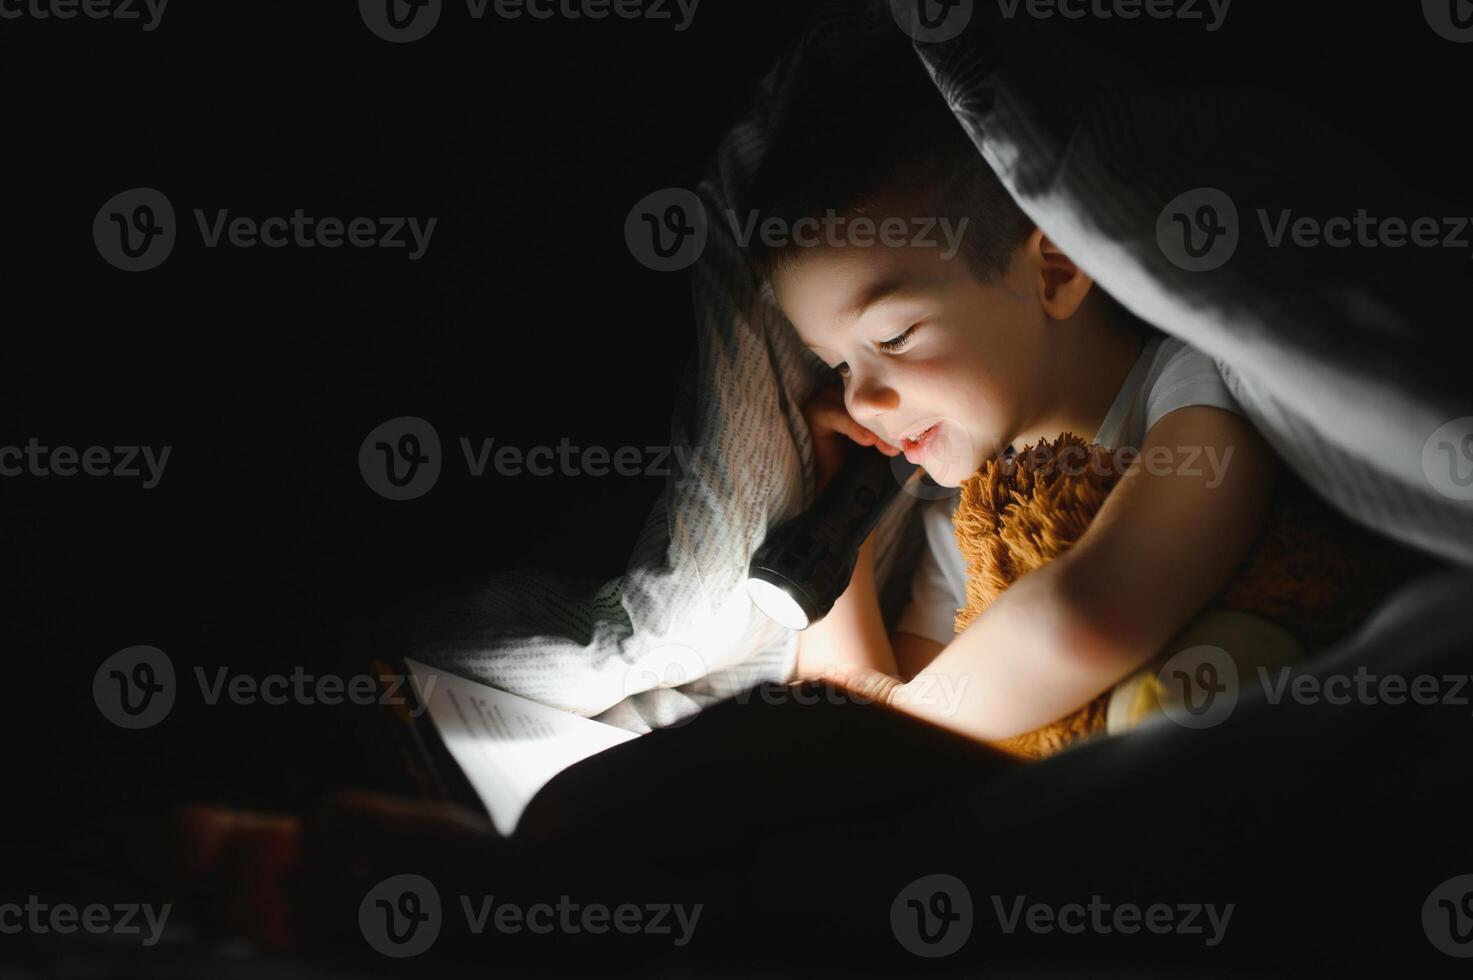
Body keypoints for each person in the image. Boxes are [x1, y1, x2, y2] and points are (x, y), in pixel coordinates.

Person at [740, 32, 1277, 744]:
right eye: (838, 366)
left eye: (893, 339)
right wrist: (842, 532)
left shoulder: (1191, 382)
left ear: (1051, 273)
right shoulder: (960, 530)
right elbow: (862, 732)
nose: (862, 400)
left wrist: (884, 725)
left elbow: (1085, 620)